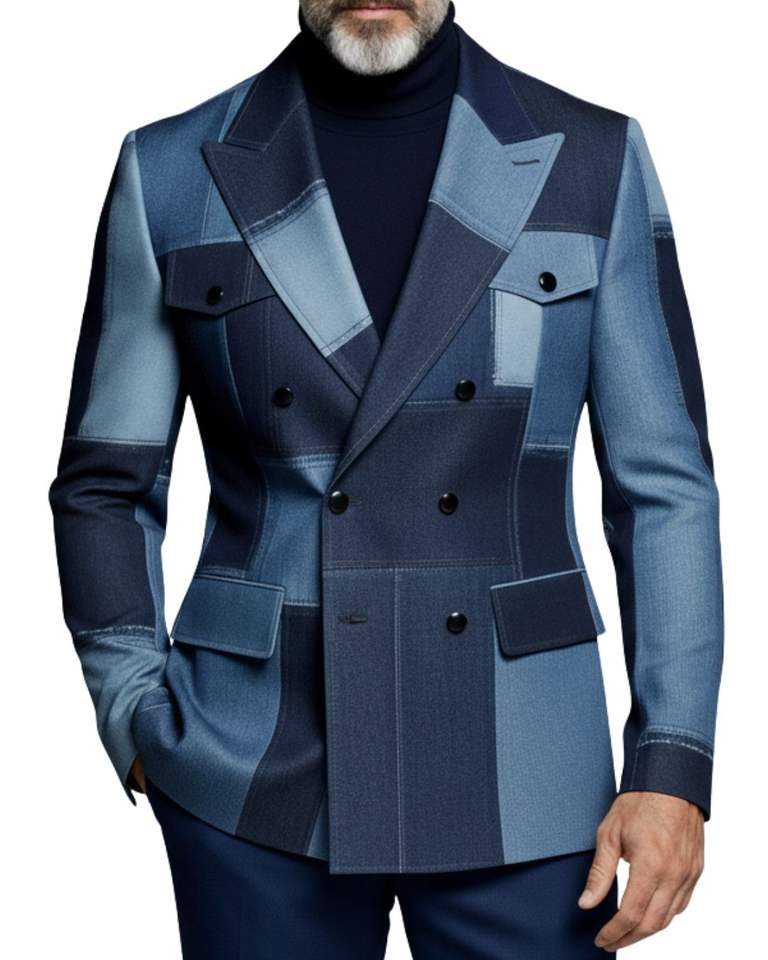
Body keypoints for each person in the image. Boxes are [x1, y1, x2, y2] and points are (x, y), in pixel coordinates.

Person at [48, 1, 724, 956]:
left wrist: (672, 762)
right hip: (252, 763)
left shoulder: (590, 159)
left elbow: (665, 487)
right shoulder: (169, 170)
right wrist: (134, 711)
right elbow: (103, 483)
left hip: (522, 760)